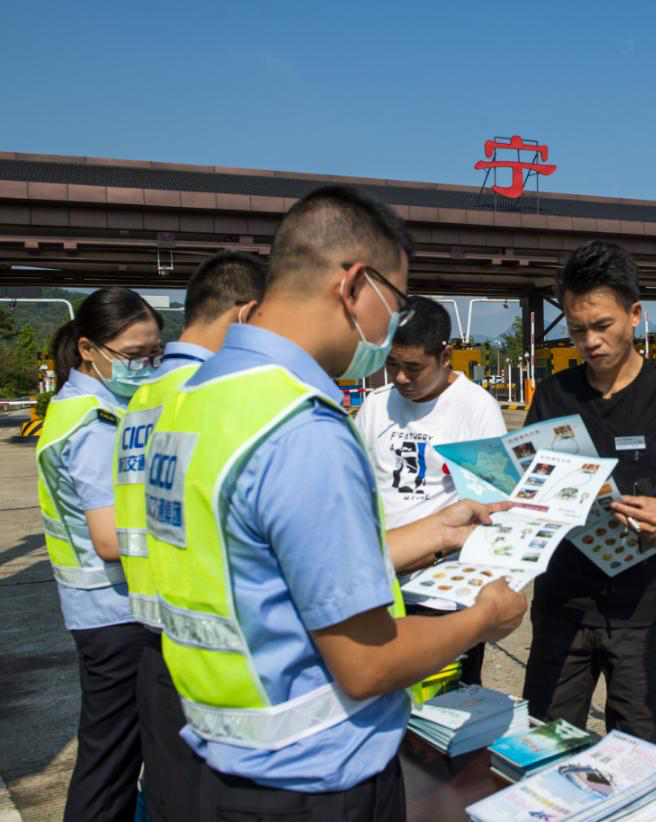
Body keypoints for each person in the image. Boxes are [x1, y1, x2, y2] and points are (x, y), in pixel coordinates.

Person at [144, 185, 527, 820]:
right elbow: (366, 664)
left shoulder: (197, 398)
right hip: (313, 780)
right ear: (353, 286)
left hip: (221, 756)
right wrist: (482, 621)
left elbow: (279, 562)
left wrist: (437, 528)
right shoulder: (303, 426)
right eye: (394, 303)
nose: (390, 331)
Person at [522, 240, 656, 744]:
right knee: (543, 741)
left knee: (632, 751)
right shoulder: (554, 395)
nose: (589, 341)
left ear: (635, 315)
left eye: (602, 325)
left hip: (641, 610)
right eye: (576, 329)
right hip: (561, 606)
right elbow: (526, 484)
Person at [112, 252, 266, 821]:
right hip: (216, 652)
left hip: (155, 633)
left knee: (171, 801)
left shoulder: (143, 399)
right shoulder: (214, 396)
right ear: (248, 316)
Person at [35, 287, 164, 821]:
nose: (145, 366)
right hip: (114, 616)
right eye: (133, 356)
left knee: (114, 753)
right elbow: (110, 540)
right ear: (89, 349)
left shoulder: (94, 405)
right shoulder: (93, 425)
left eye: (155, 353)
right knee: (111, 763)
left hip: (102, 611)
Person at [355, 295, 506, 685]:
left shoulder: (477, 409)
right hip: (381, 590)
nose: (401, 378)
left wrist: (431, 554)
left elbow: (491, 508)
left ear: (446, 356)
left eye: (413, 368)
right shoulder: (375, 407)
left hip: (445, 597)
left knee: (443, 714)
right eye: (392, 365)